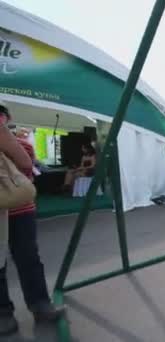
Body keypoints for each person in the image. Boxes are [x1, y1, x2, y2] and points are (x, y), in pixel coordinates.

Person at [0, 101, 65, 335]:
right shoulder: (22, 145)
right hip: (19, 208)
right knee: (28, 258)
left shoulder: (19, 143)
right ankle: (38, 306)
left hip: (17, 209)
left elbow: (26, 164)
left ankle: (11, 314)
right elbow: (26, 165)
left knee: (25, 258)